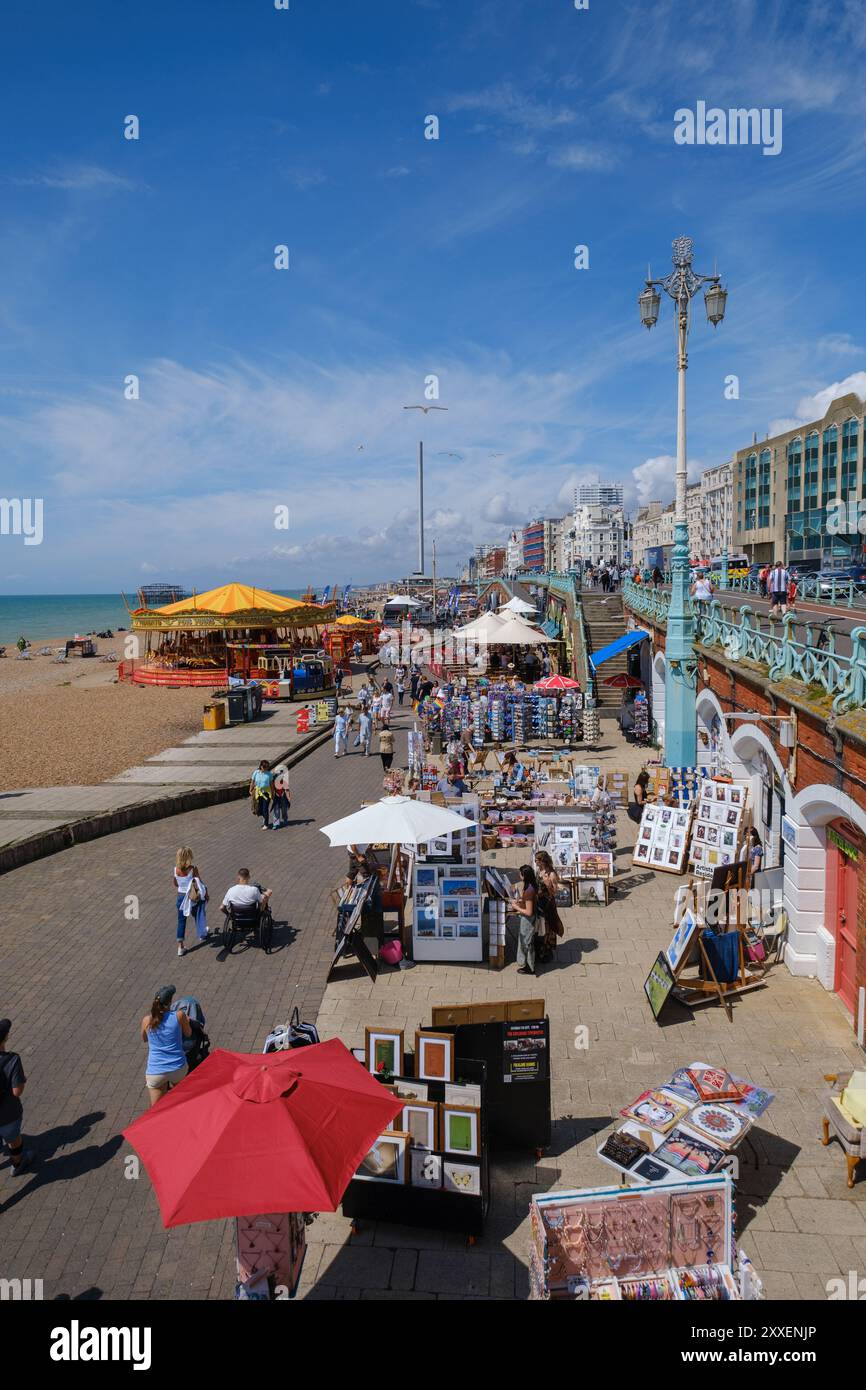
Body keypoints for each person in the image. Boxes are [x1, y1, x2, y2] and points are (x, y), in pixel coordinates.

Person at [141, 986, 191, 1107]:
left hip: (156, 1071)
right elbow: (188, 1033)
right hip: (177, 1067)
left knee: (157, 1109)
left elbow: (144, 1039)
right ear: (169, 1003)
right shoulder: (179, 1016)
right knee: (180, 1103)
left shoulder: (147, 1020)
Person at [0, 1018, 33, 1174]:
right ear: (6, 1037)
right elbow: (16, 1092)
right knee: (13, 1139)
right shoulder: (12, 1060)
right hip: (8, 1114)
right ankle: (18, 1163)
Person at [173, 846, 209, 957]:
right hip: (192, 897)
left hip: (180, 897)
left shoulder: (176, 869)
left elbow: (175, 884)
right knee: (198, 914)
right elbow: (200, 882)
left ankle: (180, 947)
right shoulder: (193, 869)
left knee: (181, 921)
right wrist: (206, 893)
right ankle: (202, 933)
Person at [534, 851, 565, 963]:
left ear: (543, 861)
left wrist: (548, 885)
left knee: (547, 927)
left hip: (547, 903)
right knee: (539, 927)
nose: (535, 861)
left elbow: (555, 892)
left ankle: (546, 951)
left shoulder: (552, 874)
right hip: (538, 901)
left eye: (537, 860)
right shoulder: (539, 870)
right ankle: (539, 949)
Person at [512, 864, 540, 975]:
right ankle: (528, 964)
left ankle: (529, 967)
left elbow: (529, 912)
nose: (519, 875)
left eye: (520, 873)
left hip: (528, 921)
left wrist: (516, 907)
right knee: (526, 942)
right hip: (530, 919)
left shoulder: (529, 891)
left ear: (525, 876)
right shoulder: (531, 886)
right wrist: (520, 901)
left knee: (526, 943)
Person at [250, 759, 274, 825]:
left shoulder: (269, 774)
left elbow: (272, 785)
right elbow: (252, 782)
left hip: (266, 794)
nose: (265, 768)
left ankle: (266, 824)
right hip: (258, 793)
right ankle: (263, 816)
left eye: (267, 767)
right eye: (264, 767)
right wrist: (250, 789)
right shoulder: (256, 772)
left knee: (265, 809)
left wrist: (272, 794)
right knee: (259, 809)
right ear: (261, 766)